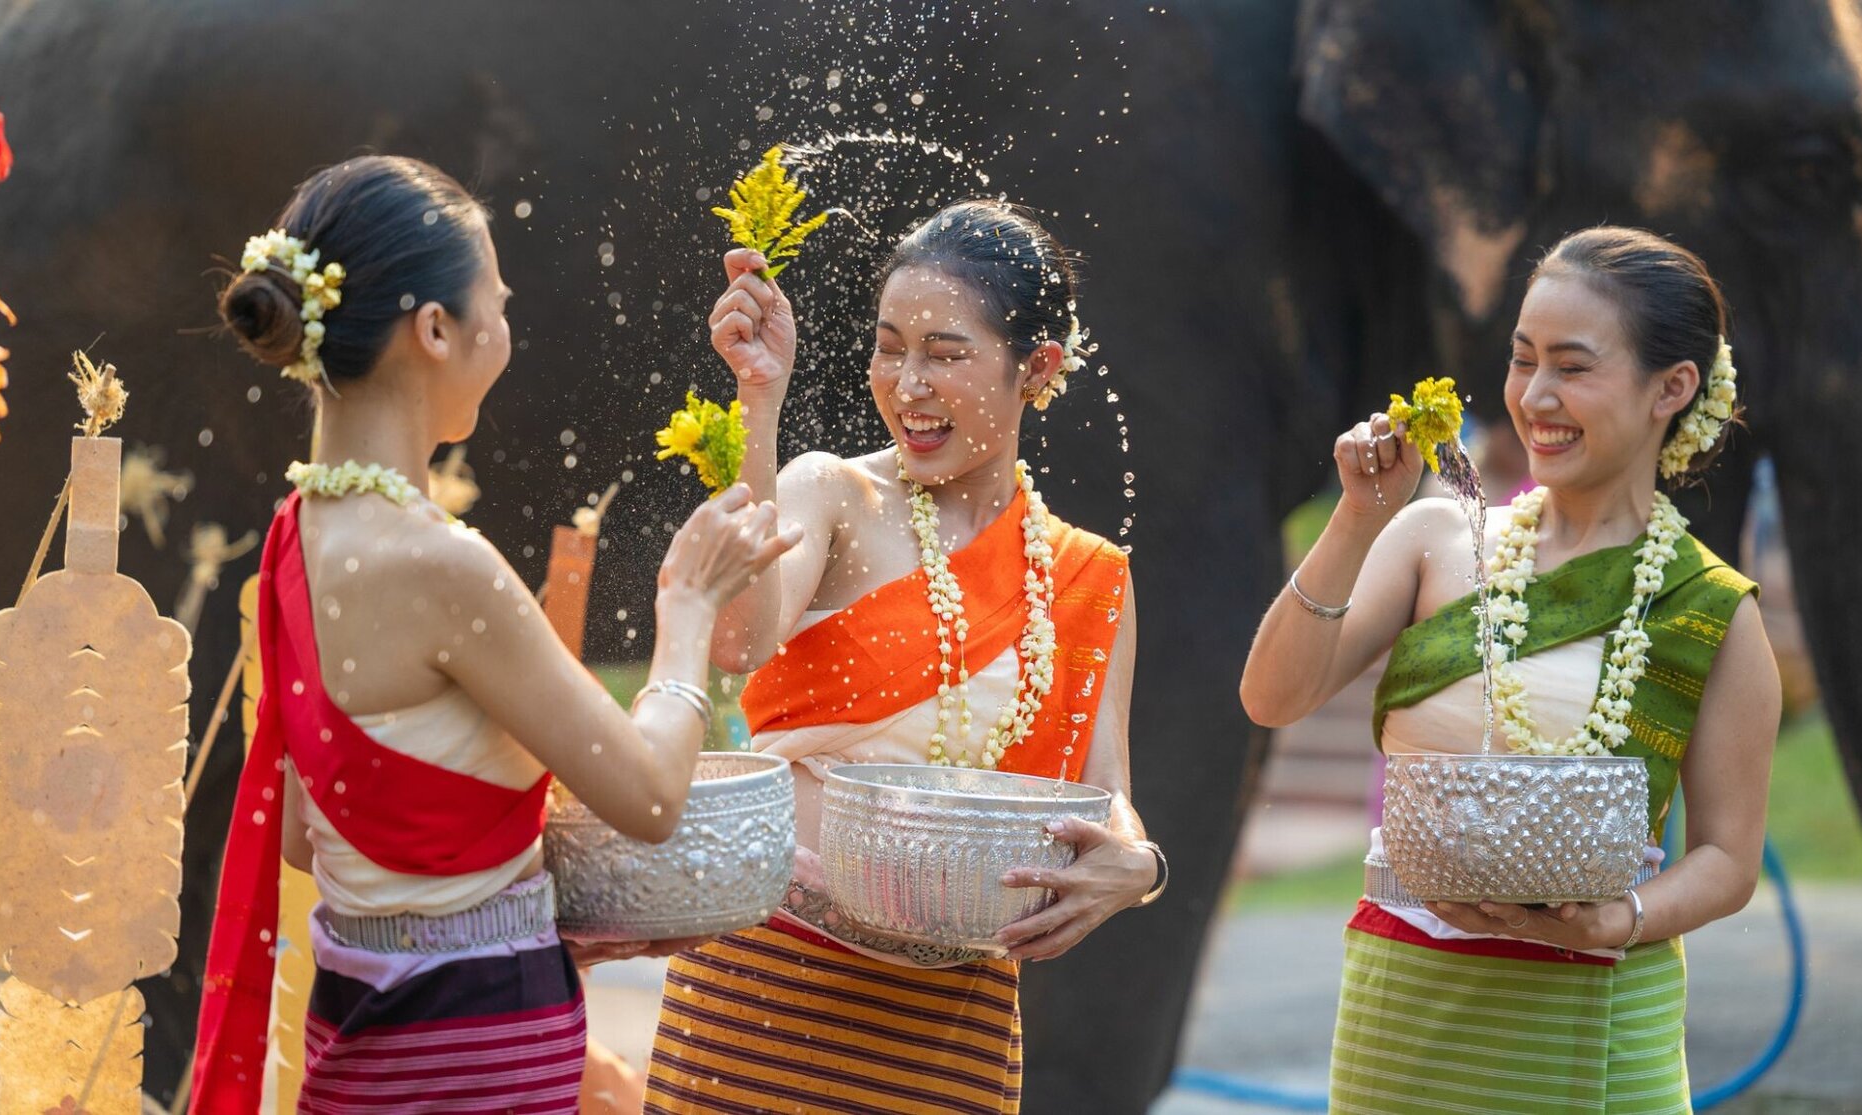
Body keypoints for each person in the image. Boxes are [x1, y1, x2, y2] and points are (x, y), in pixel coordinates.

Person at [189, 155, 797, 1114]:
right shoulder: (443, 566)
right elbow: (646, 796)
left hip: (359, 1029)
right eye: (496, 305)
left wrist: (510, 896)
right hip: (480, 1046)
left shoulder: (294, 544)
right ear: (435, 329)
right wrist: (684, 611)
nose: (506, 333)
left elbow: (314, 837)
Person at [642, 200, 1166, 1113]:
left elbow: (1105, 790)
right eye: (891, 347)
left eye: (945, 353)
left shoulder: (1089, 579)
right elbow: (735, 639)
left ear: (1036, 369)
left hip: (949, 1023)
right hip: (762, 990)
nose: (907, 384)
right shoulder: (832, 494)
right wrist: (760, 405)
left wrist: (1140, 867)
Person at [1242, 226, 1779, 1112]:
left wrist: (1620, 920)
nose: (1535, 396)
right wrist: (1354, 518)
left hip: (1594, 1016)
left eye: (1573, 366)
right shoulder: (1433, 539)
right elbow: (1271, 696)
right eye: (1522, 359)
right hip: (1404, 1010)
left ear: (1672, 388)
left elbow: (1727, 857)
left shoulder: (1709, 607)